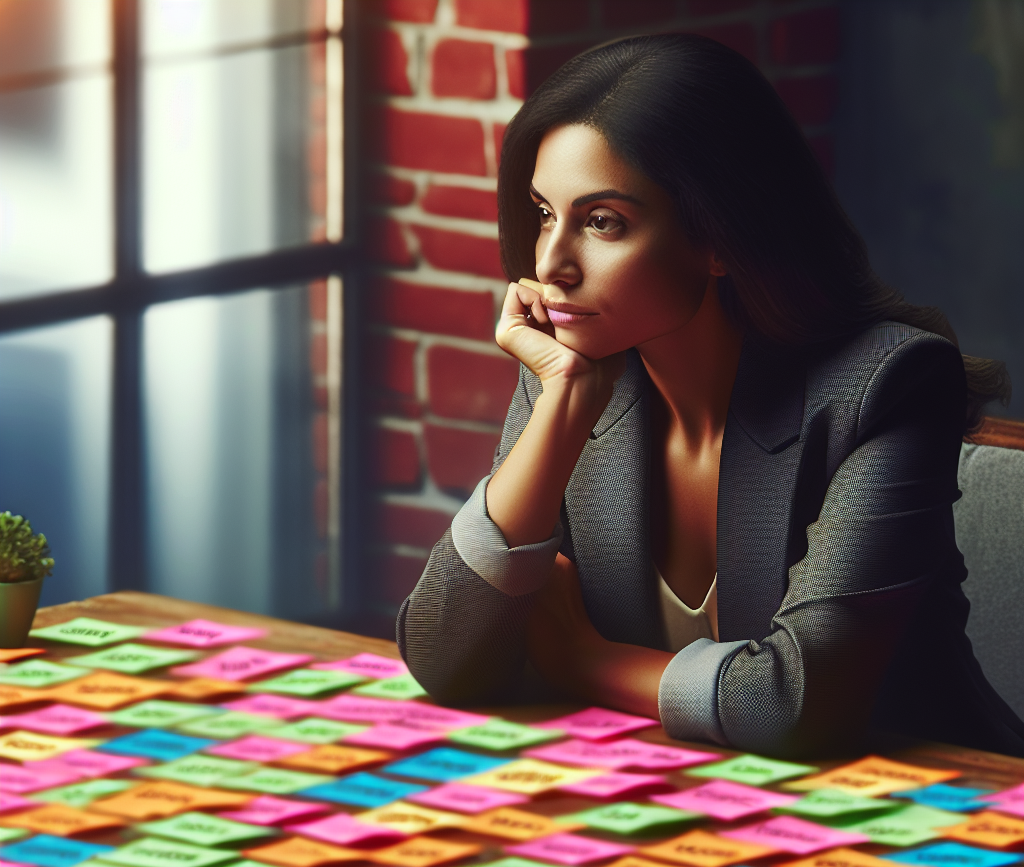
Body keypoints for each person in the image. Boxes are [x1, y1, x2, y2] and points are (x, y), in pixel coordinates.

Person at [397, 33, 1023, 758]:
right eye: (544, 213)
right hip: (686, 802)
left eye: (603, 222)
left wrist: (583, 659)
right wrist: (562, 404)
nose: (550, 263)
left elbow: (795, 703)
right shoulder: (574, 369)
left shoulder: (889, 388)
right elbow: (444, 659)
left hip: (937, 810)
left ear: (721, 237)